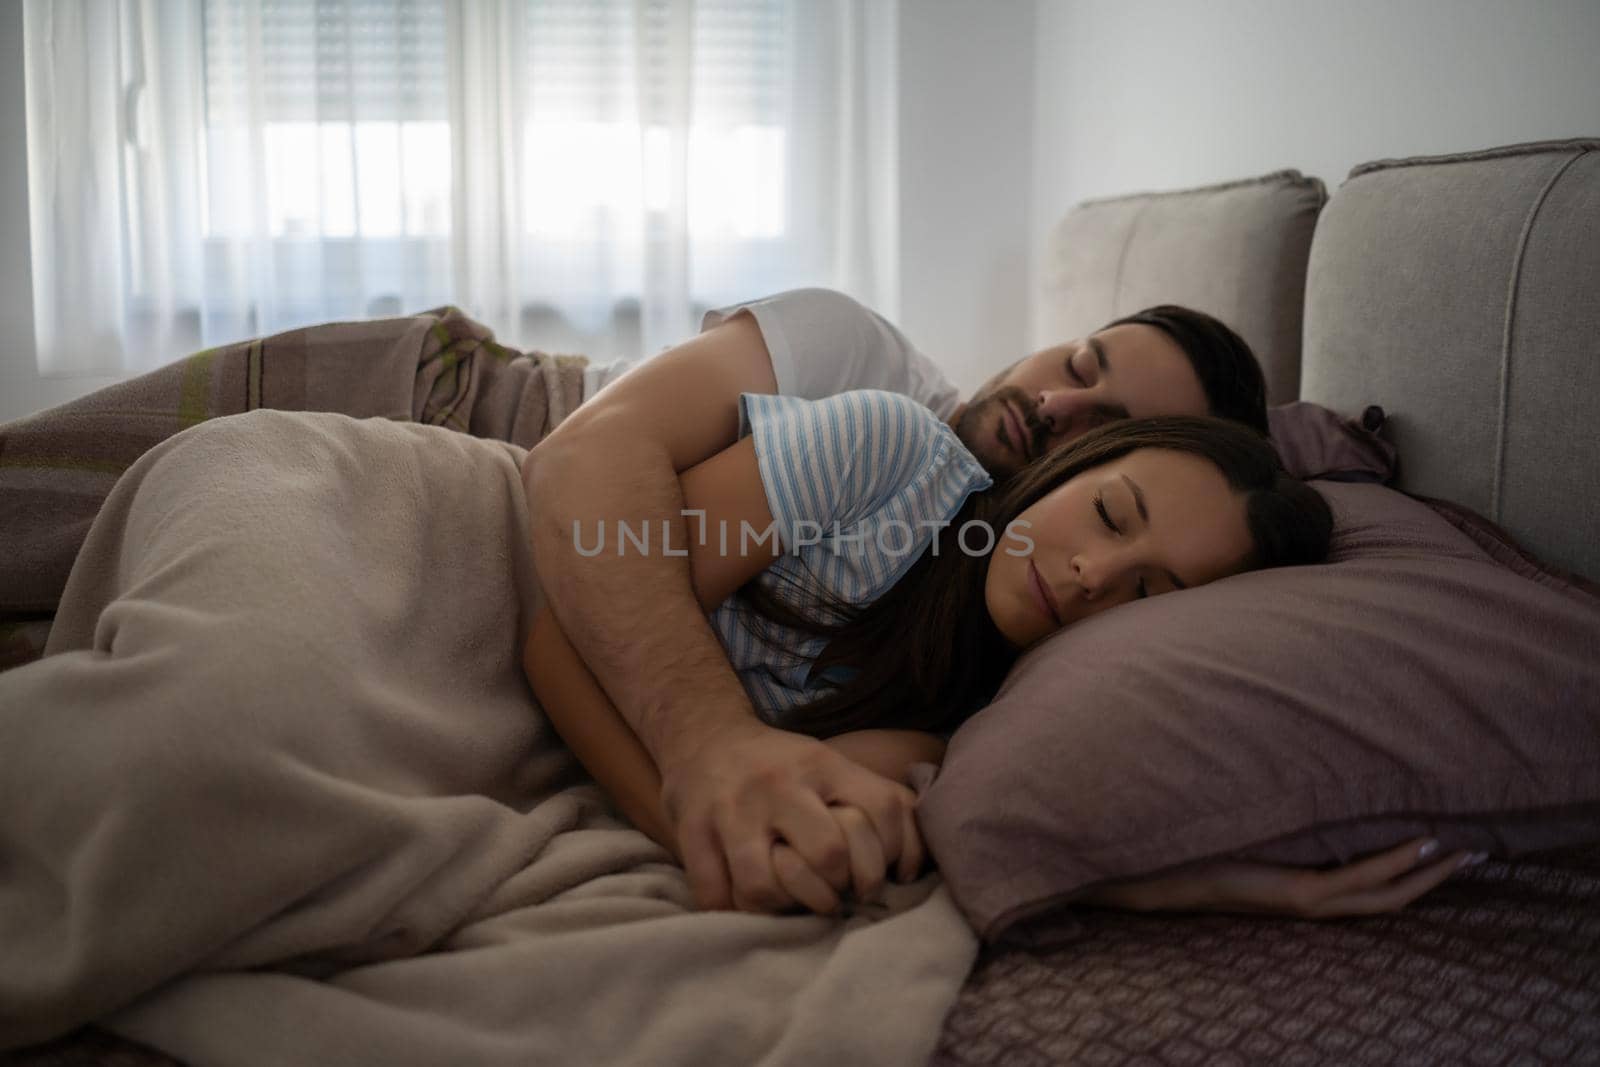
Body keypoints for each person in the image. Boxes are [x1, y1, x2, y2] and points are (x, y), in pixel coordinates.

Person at [523, 288, 1327, 917]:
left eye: (1149, 588)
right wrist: (707, 755)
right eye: (1081, 367)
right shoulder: (881, 417)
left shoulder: (970, 697)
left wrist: (1168, 880)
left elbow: (849, 824)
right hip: (527, 451)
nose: (1055, 408)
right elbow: (586, 481)